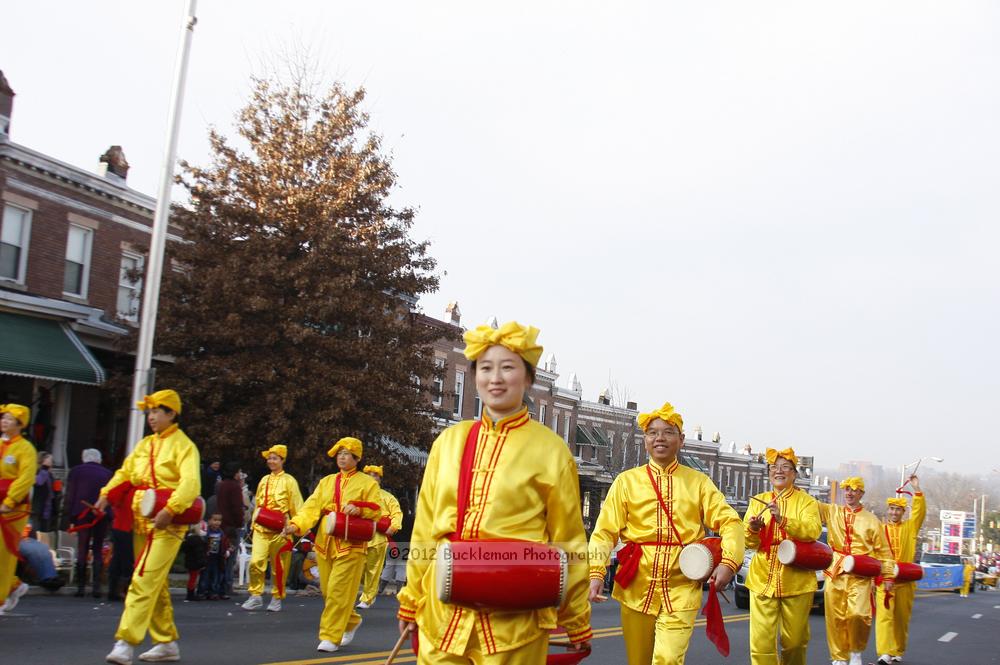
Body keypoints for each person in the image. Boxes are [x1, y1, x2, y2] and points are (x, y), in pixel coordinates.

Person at [397, 321, 593, 663]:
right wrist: (412, 599)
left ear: (528, 378)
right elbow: (425, 528)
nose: (495, 378)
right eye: (486, 368)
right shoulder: (448, 442)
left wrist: (576, 620)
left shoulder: (551, 450)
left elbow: (569, 540)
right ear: (474, 376)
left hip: (516, 618)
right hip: (443, 612)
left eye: (508, 367)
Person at [588, 401, 743, 665]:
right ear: (645, 440)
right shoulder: (626, 482)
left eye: (668, 432)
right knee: (639, 661)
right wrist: (596, 572)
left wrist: (729, 562)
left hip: (682, 585)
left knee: (668, 659)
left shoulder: (699, 482)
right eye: (652, 432)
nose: (660, 437)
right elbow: (604, 532)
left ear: (681, 440)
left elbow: (730, 522)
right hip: (636, 585)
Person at [95, 390, 201, 665]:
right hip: (143, 520)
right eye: (149, 412)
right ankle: (166, 642)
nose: (151, 417)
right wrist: (107, 493)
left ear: (172, 414)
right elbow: (126, 472)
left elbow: (191, 485)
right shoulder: (145, 444)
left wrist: (170, 509)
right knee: (156, 582)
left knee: (142, 578)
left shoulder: (184, 446)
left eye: (157, 411)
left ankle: (125, 642)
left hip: (169, 523)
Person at [284, 436, 380, 652]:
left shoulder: (367, 483)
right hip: (325, 542)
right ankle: (351, 621)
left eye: (346, 454)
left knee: (338, 592)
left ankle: (330, 637)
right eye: (339, 454)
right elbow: (311, 508)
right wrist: (295, 524)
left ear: (356, 458)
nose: (342, 457)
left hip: (351, 544)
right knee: (328, 592)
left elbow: (376, 510)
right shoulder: (326, 482)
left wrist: (359, 509)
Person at [743, 447, 822, 665]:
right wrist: (754, 529)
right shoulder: (757, 501)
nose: (779, 471)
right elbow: (749, 543)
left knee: (795, 642)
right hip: (762, 577)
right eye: (774, 467)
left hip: (796, 579)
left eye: (785, 467)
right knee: (760, 644)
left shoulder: (806, 502)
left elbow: (812, 531)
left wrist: (782, 519)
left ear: (794, 474)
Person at [818, 478, 894, 665]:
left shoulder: (871, 520)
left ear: (861, 494)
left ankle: (855, 652)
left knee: (858, 614)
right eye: (847, 490)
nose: (850, 494)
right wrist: (792, 486)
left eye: (854, 490)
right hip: (835, 571)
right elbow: (808, 504)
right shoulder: (832, 511)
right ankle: (838, 657)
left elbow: (884, 551)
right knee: (835, 616)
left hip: (860, 574)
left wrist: (888, 574)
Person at [243, 444, 302, 612]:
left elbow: (297, 506)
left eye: (275, 458)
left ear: (282, 460)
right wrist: (254, 524)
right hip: (262, 528)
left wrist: (295, 526)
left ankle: (277, 597)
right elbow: (258, 505)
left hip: (281, 530)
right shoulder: (264, 480)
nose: (271, 461)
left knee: (279, 568)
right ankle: (255, 595)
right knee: (256, 562)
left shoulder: (290, 481)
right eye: (269, 458)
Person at [875, 476, 926, 665]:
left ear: (903, 512)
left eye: (898, 509)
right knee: (884, 617)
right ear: (888, 511)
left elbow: (920, 513)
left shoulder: (910, 527)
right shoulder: (879, 529)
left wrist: (917, 490)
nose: (894, 512)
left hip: (905, 581)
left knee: (901, 619)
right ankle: (884, 653)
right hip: (885, 581)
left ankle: (897, 650)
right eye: (892, 509)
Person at [0, 404, 37, 610]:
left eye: (9, 418)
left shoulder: (25, 448)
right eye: (3, 417)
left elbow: (25, 478)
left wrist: (9, 501)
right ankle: (14, 585)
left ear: (19, 424)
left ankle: (1, 597)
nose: (3, 421)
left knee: (3, 551)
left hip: (13, 508)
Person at [66, 448, 114, 598]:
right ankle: (96, 588)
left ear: (84, 458)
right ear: (99, 459)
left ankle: (80, 587)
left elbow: (70, 495)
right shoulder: (108, 473)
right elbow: (110, 496)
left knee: (82, 548)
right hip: (101, 513)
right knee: (99, 548)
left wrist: (70, 518)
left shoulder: (75, 471)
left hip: (81, 513)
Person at [355, 464, 401, 609]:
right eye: (370, 475)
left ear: (380, 479)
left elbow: (396, 513)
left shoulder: (387, 497)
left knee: (373, 569)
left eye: (376, 475)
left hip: (378, 539)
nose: (373, 478)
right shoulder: (358, 495)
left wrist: (393, 526)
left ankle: (367, 598)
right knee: (359, 569)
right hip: (360, 537)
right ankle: (370, 592)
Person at [215, 462, 244, 596]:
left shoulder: (220, 485)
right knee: (230, 557)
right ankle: (227, 585)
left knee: (220, 555)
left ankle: (216, 584)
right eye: (238, 472)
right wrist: (240, 522)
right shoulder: (235, 487)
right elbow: (237, 508)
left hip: (220, 524)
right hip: (232, 525)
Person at [197, 513, 229, 600]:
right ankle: (202, 592)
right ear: (209, 521)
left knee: (215, 575)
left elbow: (225, 542)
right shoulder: (207, 532)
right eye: (215, 520)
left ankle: (213, 592)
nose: (217, 522)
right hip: (208, 557)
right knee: (205, 575)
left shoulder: (221, 532)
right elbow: (203, 543)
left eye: (219, 520)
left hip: (217, 557)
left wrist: (226, 550)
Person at [31, 450, 56, 542]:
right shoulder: (40, 472)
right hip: (39, 507)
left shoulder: (48, 474)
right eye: (49, 459)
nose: (51, 461)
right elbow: (39, 482)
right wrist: (45, 468)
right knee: (37, 531)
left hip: (47, 507)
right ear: (43, 460)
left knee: (44, 531)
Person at [180, 524, 207, 602]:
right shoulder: (197, 540)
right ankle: (190, 594)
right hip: (195, 562)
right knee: (193, 578)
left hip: (190, 561)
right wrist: (202, 563)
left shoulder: (188, 539)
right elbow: (200, 553)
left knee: (192, 578)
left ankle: (190, 593)